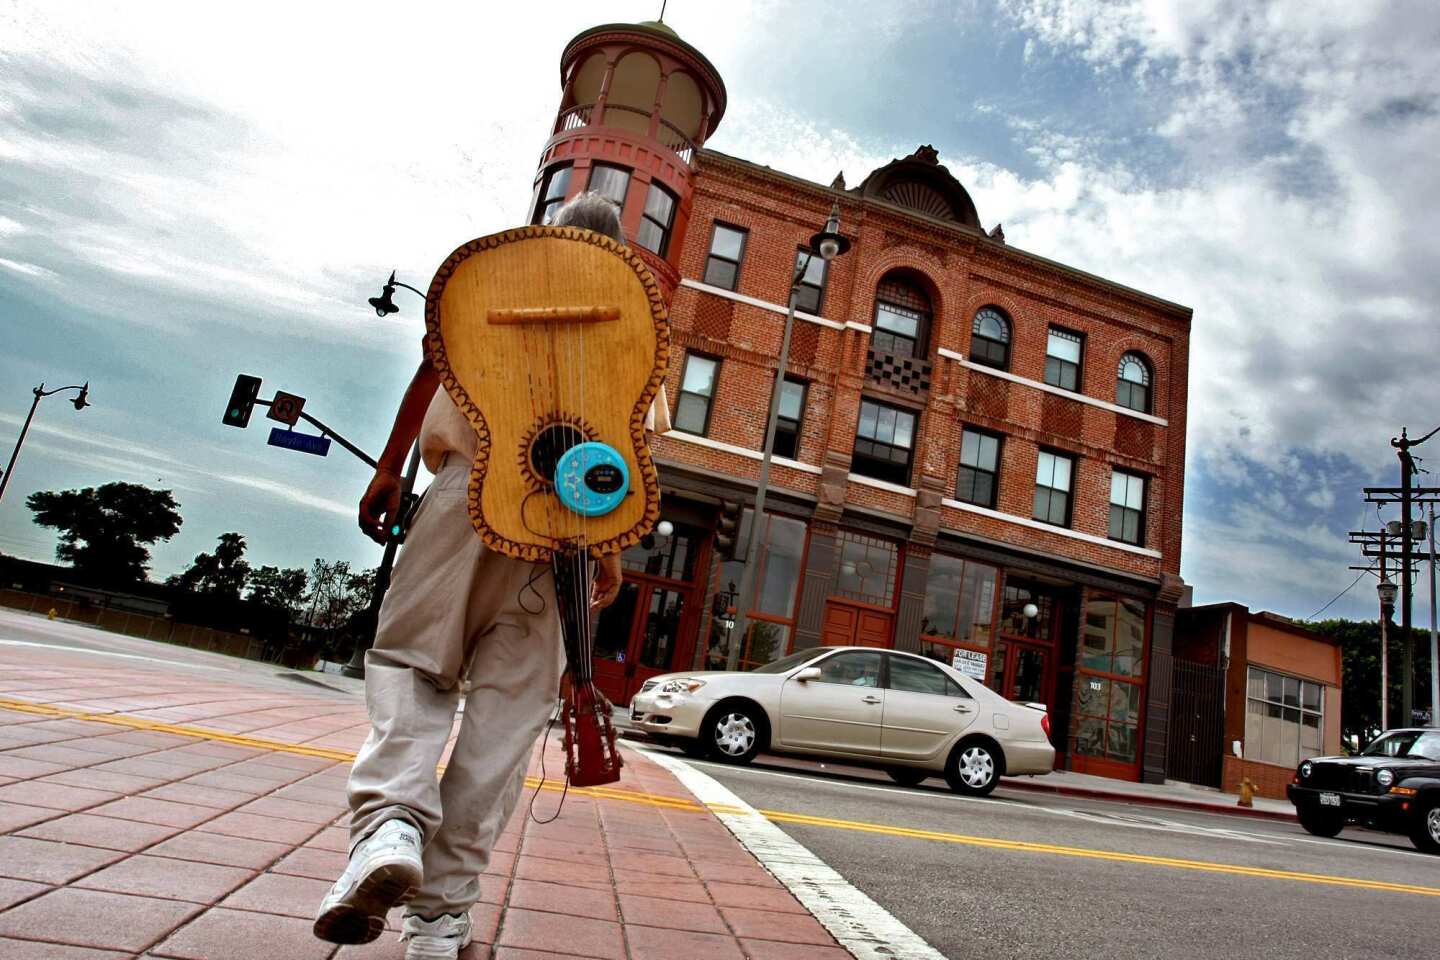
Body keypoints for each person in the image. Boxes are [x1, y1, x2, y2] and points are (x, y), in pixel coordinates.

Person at [313, 193, 665, 959]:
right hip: (565, 535)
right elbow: (631, 449)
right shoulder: (632, 313)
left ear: (545, 233)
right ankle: (439, 925)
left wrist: (389, 466)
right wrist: (609, 554)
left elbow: (429, 367)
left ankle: (392, 824)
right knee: (505, 724)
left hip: (464, 499)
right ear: (619, 249)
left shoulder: (491, 284)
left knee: (411, 663)